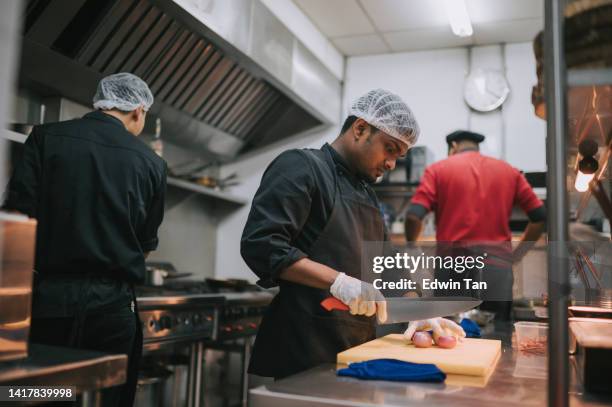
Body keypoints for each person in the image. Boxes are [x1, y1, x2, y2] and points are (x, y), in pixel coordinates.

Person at [241, 89, 465, 380]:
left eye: (399, 156)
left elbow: (388, 268)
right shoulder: (301, 167)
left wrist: (417, 309)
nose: (391, 164)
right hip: (304, 346)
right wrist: (339, 282)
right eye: (390, 149)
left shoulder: (369, 196)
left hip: (358, 350)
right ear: (360, 129)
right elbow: (263, 245)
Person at [3, 73, 167, 406]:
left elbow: (16, 220)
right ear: (138, 111)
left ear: (100, 103)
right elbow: (146, 244)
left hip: (48, 303)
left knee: (38, 393)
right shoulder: (153, 163)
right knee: (106, 395)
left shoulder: (46, 138)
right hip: (111, 309)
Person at [404, 130, 546, 319]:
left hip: (453, 268)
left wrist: (412, 245)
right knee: (498, 336)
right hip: (497, 270)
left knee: (449, 334)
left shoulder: (438, 170)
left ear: (453, 146)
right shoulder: (509, 171)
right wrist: (516, 256)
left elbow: (414, 217)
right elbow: (540, 217)